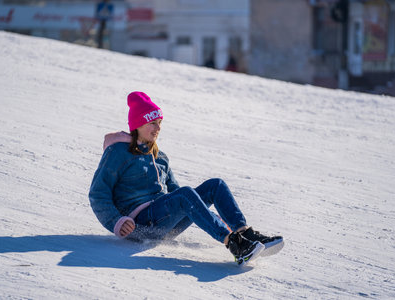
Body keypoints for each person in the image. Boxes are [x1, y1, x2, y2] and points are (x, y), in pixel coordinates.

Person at [89, 91, 284, 265]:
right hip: (140, 226)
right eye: (152, 123)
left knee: (215, 185)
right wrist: (117, 222)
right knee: (185, 195)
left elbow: (179, 195)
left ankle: (245, 234)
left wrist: (211, 217)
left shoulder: (160, 157)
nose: (157, 128)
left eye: (159, 123)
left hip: (164, 222)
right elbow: (98, 194)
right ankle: (236, 246)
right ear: (138, 124)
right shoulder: (118, 152)